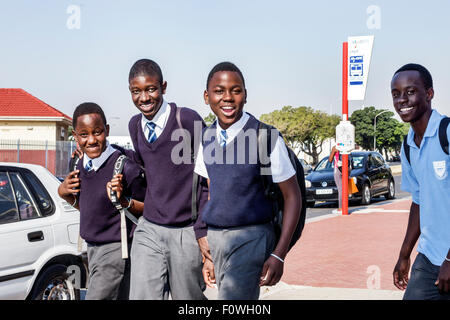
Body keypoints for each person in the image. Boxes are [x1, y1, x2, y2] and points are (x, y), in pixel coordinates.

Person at [194, 61, 301, 300]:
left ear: (245, 95)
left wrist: (279, 254)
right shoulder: (206, 138)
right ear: (206, 96)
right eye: (219, 91)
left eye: (236, 90)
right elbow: (210, 193)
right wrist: (207, 254)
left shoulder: (266, 137)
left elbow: (293, 197)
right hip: (216, 239)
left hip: (251, 237)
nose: (227, 98)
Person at [127, 59, 209, 300]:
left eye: (151, 89)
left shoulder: (187, 120)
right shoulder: (134, 126)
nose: (144, 98)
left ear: (163, 87)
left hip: (185, 230)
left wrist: (202, 229)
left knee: (188, 299)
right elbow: (147, 170)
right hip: (149, 228)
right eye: (136, 91)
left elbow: (208, 177)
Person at [58, 102, 146, 300]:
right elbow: (89, 208)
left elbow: (150, 209)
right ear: (75, 135)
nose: (91, 140)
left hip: (116, 249)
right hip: (91, 250)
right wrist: (63, 193)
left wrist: (123, 200)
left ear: (106, 130)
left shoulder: (124, 167)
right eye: (84, 134)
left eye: (97, 132)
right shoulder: (79, 164)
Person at [391, 63, 450, 300]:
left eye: (410, 91)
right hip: (428, 258)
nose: (402, 100)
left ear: (429, 94)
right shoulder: (408, 145)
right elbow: (419, 202)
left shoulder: (447, 132)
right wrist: (404, 255)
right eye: (396, 94)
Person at [329, 145, 342, 211]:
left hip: (338, 169)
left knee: (340, 189)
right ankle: (344, 205)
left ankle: (341, 207)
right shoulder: (348, 145)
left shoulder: (335, 147)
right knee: (344, 188)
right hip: (347, 169)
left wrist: (333, 151)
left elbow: (330, 160)